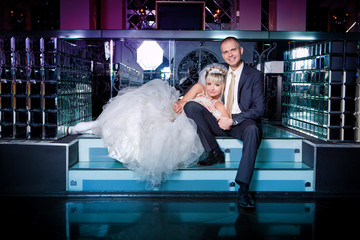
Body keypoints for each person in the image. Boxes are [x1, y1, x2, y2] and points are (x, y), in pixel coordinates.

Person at [68, 65, 228, 188]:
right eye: (209, 83)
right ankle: (93, 125)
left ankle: (94, 127)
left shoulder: (220, 104)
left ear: (223, 87)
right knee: (137, 110)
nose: (212, 88)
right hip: (174, 112)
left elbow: (219, 121)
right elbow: (181, 103)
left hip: (185, 124)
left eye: (217, 85)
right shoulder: (199, 89)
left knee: (143, 131)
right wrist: (181, 105)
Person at [183, 37, 264, 208]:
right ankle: (214, 151)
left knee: (253, 130)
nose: (230, 54)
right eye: (226, 52)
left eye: (233, 50)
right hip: (217, 118)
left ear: (240, 50)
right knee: (191, 107)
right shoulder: (219, 72)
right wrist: (185, 100)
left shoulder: (254, 75)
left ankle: (243, 187)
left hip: (241, 121)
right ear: (222, 54)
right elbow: (206, 89)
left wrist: (233, 120)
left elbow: (259, 109)